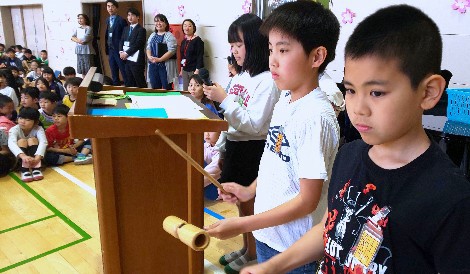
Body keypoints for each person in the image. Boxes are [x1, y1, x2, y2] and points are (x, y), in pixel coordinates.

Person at [241, 5, 470, 274]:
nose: (358, 108)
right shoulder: (348, 156)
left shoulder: (451, 199)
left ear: (428, 92)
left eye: (376, 92)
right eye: (350, 90)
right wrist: (274, 266)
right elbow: (329, 226)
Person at [206, 2, 340, 273]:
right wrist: (250, 190)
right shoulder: (285, 99)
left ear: (316, 57)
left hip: (293, 248)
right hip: (269, 235)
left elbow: (307, 201)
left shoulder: (315, 116)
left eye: (283, 50)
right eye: (270, 49)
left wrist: (243, 223)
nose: (273, 60)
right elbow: (275, 161)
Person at [202, 13, 281, 273]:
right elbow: (230, 119)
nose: (234, 51)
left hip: (253, 149)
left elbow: (255, 124)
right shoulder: (241, 77)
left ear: (255, 44)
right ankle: (248, 249)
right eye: (232, 46)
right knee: (240, 204)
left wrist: (224, 99)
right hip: (236, 145)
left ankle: (256, 251)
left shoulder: (267, 80)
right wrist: (223, 148)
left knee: (252, 205)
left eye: (239, 45)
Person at [8, 107, 47, 182]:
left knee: (32, 139)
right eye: (21, 118)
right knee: (22, 141)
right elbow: (11, 143)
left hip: (35, 156)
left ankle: (36, 168)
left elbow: (43, 142)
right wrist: (23, 156)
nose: (22, 121)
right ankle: (24, 170)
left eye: (27, 120)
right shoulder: (14, 129)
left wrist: (37, 158)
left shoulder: (38, 129)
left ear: (35, 122)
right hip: (20, 157)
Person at [146, 14, 178, 90]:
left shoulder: (169, 36)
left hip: (165, 65)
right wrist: (149, 57)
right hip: (153, 65)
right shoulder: (152, 35)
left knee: (167, 87)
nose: (158, 23)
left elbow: (171, 51)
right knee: (155, 87)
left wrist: (160, 59)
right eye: (156, 21)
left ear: (166, 24)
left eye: (161, 21)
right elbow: (148, 47)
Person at [119, 8, 146, 88]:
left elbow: (138, 44)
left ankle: (143, 98)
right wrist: (121, 52)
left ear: (138, 17)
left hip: (136, 60)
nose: (130, 17)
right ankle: (131, 97)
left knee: (139, 80)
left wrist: (126, 53)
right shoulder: (126, 29)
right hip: (127, 60)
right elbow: (121, 41)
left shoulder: (141, 30)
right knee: (129, 80)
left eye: (132, 15)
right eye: (128, 15)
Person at [105, 0, 128, 86]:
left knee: (124, 71)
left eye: (112, 6)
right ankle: (116, 89)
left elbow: (125, 37)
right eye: (108, 6)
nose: (110, 8)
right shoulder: (107, 20)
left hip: (119, 50)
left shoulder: (121, 20)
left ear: (116, 8)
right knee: (113, 71)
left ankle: (128, 89)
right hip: (111, 50)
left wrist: (123, 51)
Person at [180, 19, 204, 91]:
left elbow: (200, 56)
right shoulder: (183, 41)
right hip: (185, 70)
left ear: (193, 28)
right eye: (185, 26)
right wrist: (181, 69)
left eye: (189, 26)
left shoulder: (198, 40)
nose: (187, 28)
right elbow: (182, 56)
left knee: (194, 90)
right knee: (185, 90)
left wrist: (197, 71)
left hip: (193, 70)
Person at [71, 13, 96, 78]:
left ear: (85, 19)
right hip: (79, 51)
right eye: (78, 18)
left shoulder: (89, 28)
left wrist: (77, 40)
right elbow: (72, 37)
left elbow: (85, 39)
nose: (79, 20)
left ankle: (89, 84)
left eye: (81, 18)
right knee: (82, 69)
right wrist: (79, 41)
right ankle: (83, 83)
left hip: (87, 51)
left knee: (88, 68)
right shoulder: (77, 28)